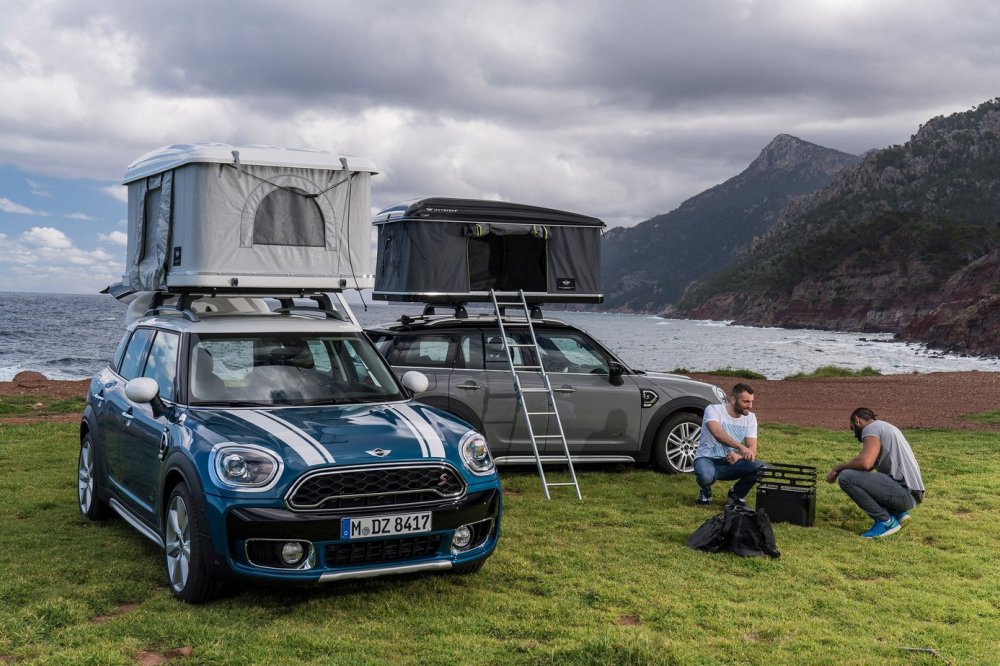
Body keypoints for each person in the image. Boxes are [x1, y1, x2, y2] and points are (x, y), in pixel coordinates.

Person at [826, 408, 925, 539]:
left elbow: (865, 463)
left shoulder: (871, 428)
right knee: (858, 478)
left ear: (857, 420)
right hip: (913, 493)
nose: (854, 434)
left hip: (905, 493)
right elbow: (868, 467)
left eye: (852, 428)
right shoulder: (885, 427)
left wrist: (838, 468)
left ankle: (886, 521)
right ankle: (897, 512)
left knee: (846, 477)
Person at [693, 383, 765, 505]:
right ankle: (705, 489)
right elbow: (717, 433)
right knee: (706, 477)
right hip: (706, 458)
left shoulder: (751, 418)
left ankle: (736, 494)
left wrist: (739, 456)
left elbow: (752, 450)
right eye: (746, 402)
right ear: (733, 399)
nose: (750, 406)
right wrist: (741, 447)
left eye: (751, 402)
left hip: (731, 462)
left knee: (762, 469)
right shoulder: (713, 410)